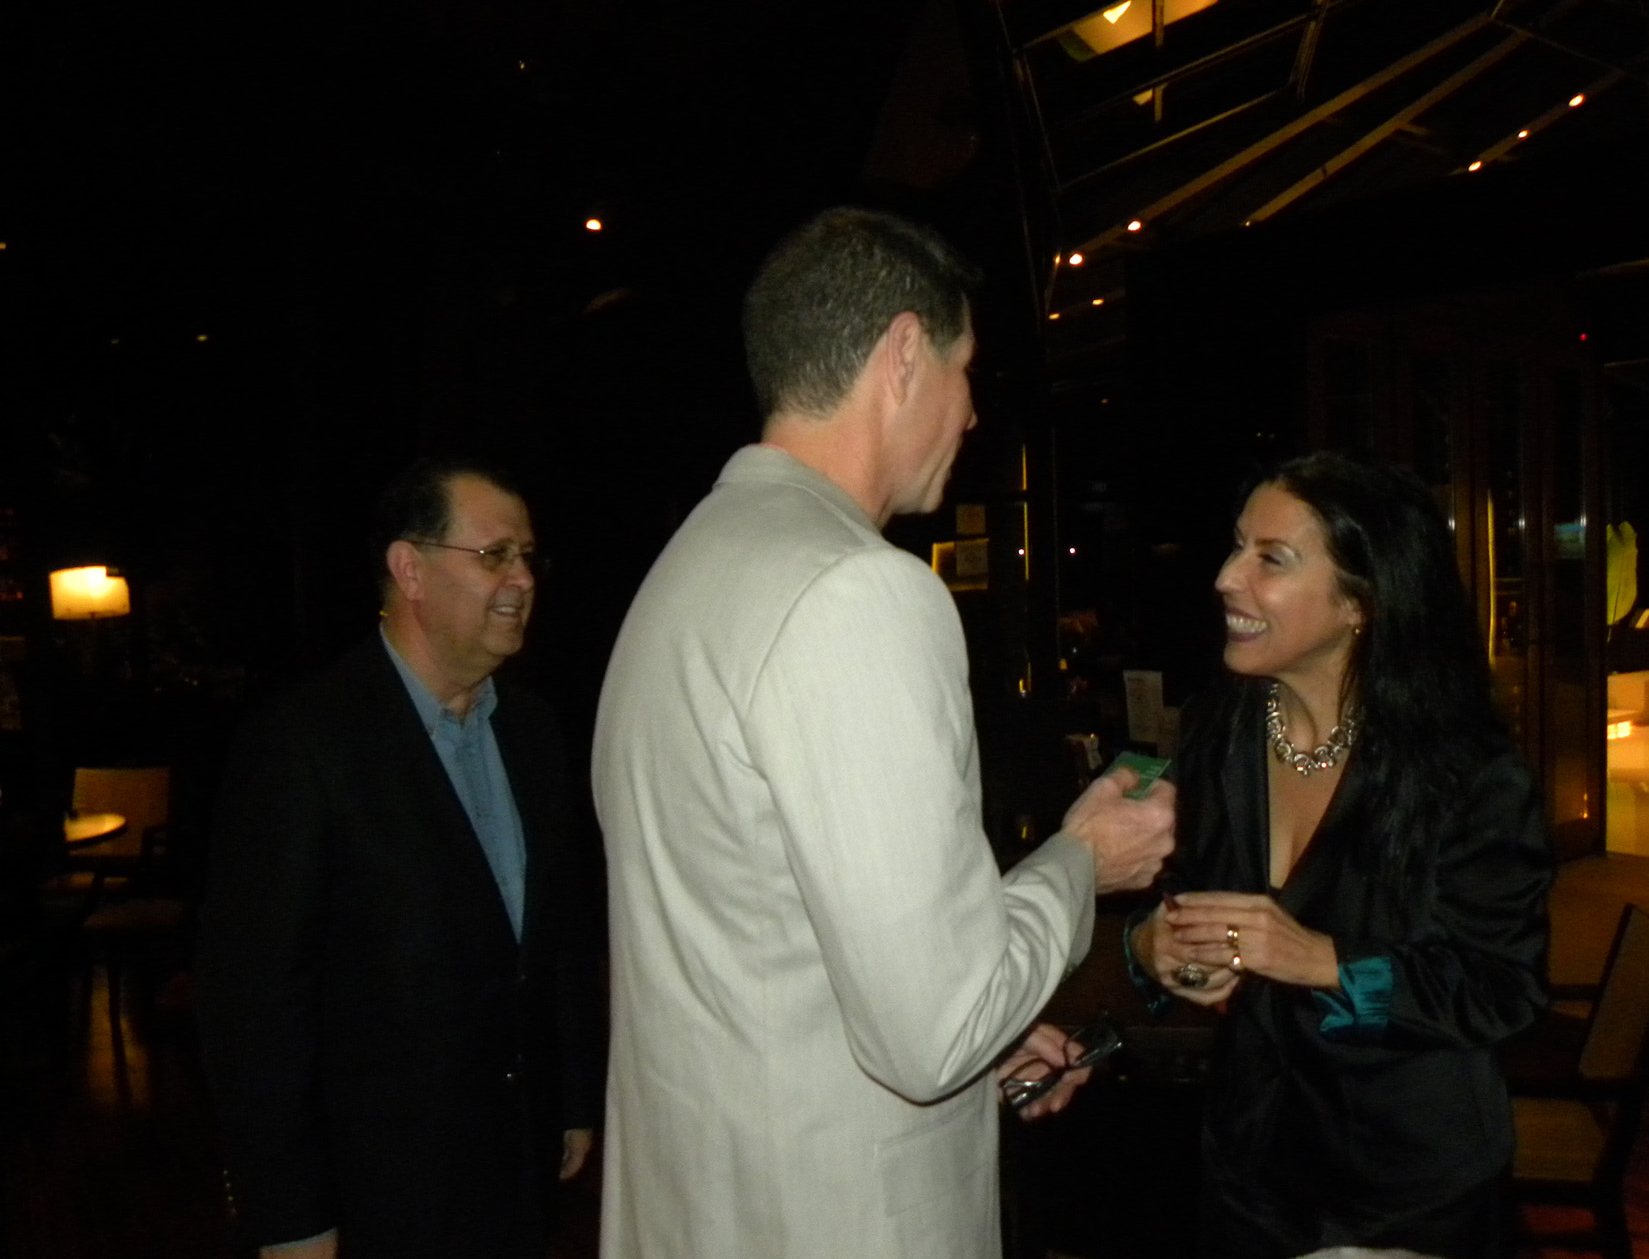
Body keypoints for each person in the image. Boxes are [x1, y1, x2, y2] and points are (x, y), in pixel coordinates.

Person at [591, 206, 1176, 1259]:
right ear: (904, 354)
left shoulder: (683, 571)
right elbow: (935, 1029)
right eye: (964, 370)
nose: (971, 413)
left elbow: (763, 947)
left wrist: (983, 1036)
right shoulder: (856, 590)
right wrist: (1082, 862)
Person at [1129, 452, 1554, 1259]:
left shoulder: (1468, 776)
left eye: (1271, 559)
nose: (1225, 578)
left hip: (1405, 1193)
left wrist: (1324, 962)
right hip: (1249, 1169)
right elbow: (1191, 897)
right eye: (1237, 546)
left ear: (1361, 600)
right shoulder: (1222, 730)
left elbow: (1502, 990)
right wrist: (1160, 947)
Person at [196, 457, 606, 1259]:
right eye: (494, 555)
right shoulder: (304, 745)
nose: (523, 579)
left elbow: (556, 943)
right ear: (410, 571)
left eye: (528, 557)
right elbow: (253, 1009)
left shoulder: (532, 730)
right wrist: (291, 1215)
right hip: (376, 1191)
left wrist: (573, 1098)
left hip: (515, 1168)